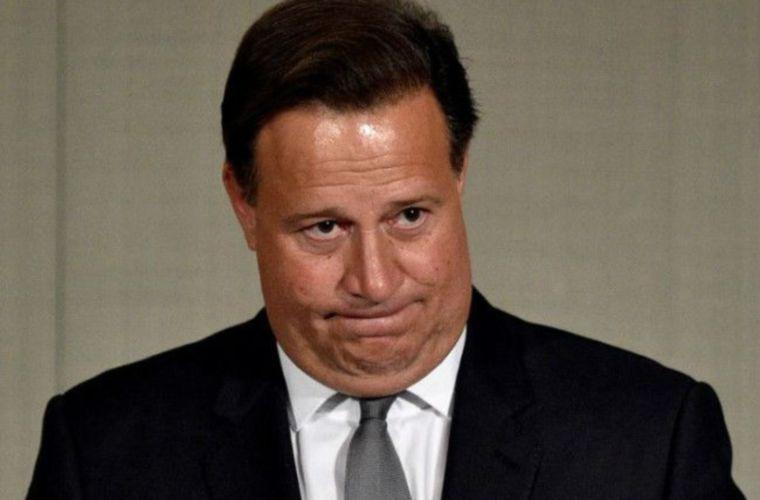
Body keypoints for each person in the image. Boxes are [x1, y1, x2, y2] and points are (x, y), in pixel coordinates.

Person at [28, 0, 744, 498]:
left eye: (409, 216)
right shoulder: (103, 452)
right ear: (243, 204)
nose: (373, 282)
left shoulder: (651, 442)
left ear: (459, 173)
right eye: (324, 228)